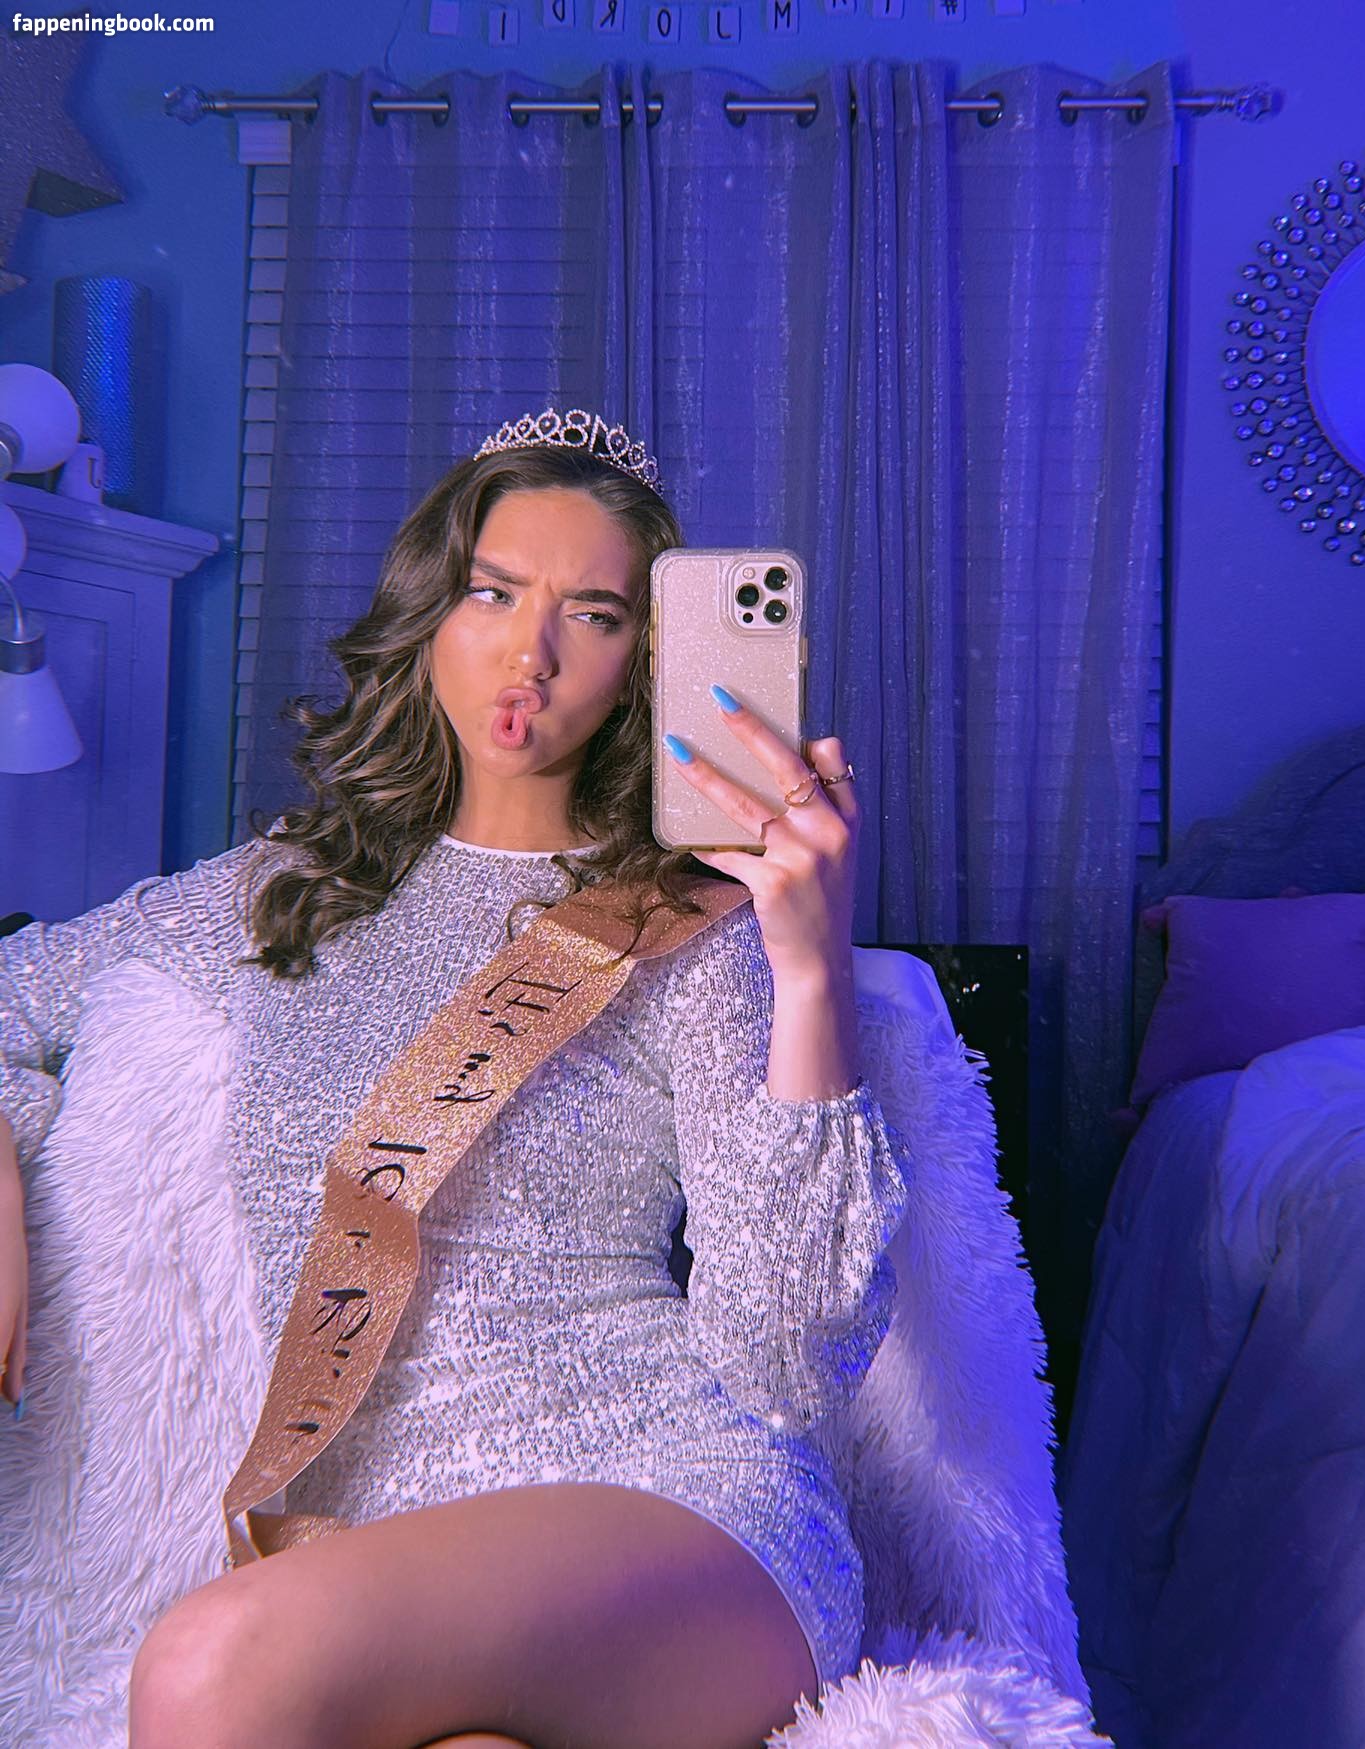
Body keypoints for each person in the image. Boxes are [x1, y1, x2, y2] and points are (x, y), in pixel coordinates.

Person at [0, 409, 913, 1749]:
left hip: (678, 1518)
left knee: (203, 1664)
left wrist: (814, 965)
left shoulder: (697, 921)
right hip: (389, 1557)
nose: (531, 651)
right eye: (494, 592)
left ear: (645, 662)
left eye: (594, 614)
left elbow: (786, 1362)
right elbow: (12, 996)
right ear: (432, 612)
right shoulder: (276, 894)